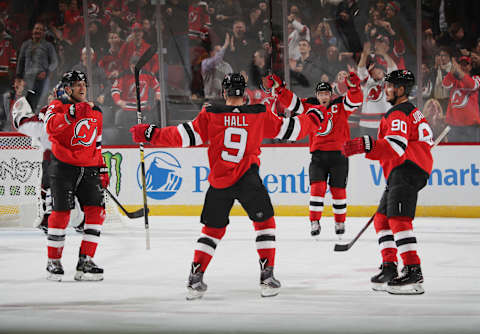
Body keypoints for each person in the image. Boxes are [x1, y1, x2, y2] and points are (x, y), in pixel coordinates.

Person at [130, 73, 329, 300]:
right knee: (265, 222)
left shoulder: (210, 114)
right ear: (244, 93)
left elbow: (181, 137)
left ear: (224, 92)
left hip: (219, 181)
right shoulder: (258, 113)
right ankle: (267, 276)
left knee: (212, 231)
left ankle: (195, 277)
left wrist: (150, 133)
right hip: (248, 179)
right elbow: (291, 130)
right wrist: (314, 117)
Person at [343, 70, 434, 295]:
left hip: (406, 169)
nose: (386, 90)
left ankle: (413, 271)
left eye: (390, 86)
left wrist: (366, 144)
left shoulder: (398, 113)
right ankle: (390, 267)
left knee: (398, 219)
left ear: (401, 90)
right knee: (382, 220)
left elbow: (395, 147)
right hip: (402, 170)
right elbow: (424, 140)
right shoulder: (411, 112)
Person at [263, 72, 363, 237]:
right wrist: (280, 89)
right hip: (318, 156)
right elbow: (292, 103)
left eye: (326, 94)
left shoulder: (340, 105)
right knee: (317, 188)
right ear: (316, 95)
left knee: (338, 191)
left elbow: (356, 100)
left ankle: (340, 222)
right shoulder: (310, 106)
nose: (324, 97)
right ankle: (314, 221)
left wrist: (354, 88)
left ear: (331, 95)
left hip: (340, 156)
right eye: (321, 94)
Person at [43, 70, 109, 282]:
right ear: (67, 88)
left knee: (97, 213)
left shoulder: (95, 111)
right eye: (76, 84)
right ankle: (53, 261)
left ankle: (86, 260)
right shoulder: (57, 106)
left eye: (83, 84)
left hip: (89, 168)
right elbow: (50, 128)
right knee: (61, 214)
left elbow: (96, 142)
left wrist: (102, 167)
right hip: (63, 168)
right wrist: (72, 113)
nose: (82, 87)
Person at [16, 22, 58, 111]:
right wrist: (18, 77)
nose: (37, 31)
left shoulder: (48, 46)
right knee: (26, 104)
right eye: (36, 29)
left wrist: (47, 72)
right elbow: (21, 62)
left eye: (40, 29)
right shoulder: (26, 45)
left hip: (42, 79)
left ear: (43, 33)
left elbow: (54, 62)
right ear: (32, 31)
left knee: (40, 104)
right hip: (27, 80)